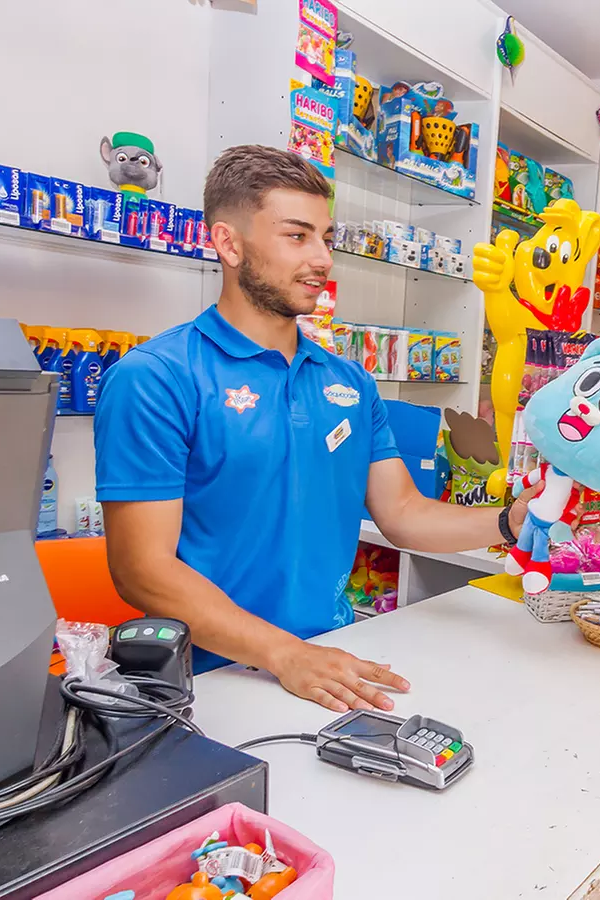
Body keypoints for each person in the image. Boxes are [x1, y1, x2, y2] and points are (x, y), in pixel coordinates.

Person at [95, 145, 535, 714]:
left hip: (330, 661)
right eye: (297, 236)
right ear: (228, 244)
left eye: (326, 238)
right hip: (208, 682)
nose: (324, 259)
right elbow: (141, 571)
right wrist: (283, 654)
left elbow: (402, 512)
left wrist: (508, 521)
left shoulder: (349, 381)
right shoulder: (156, 378)